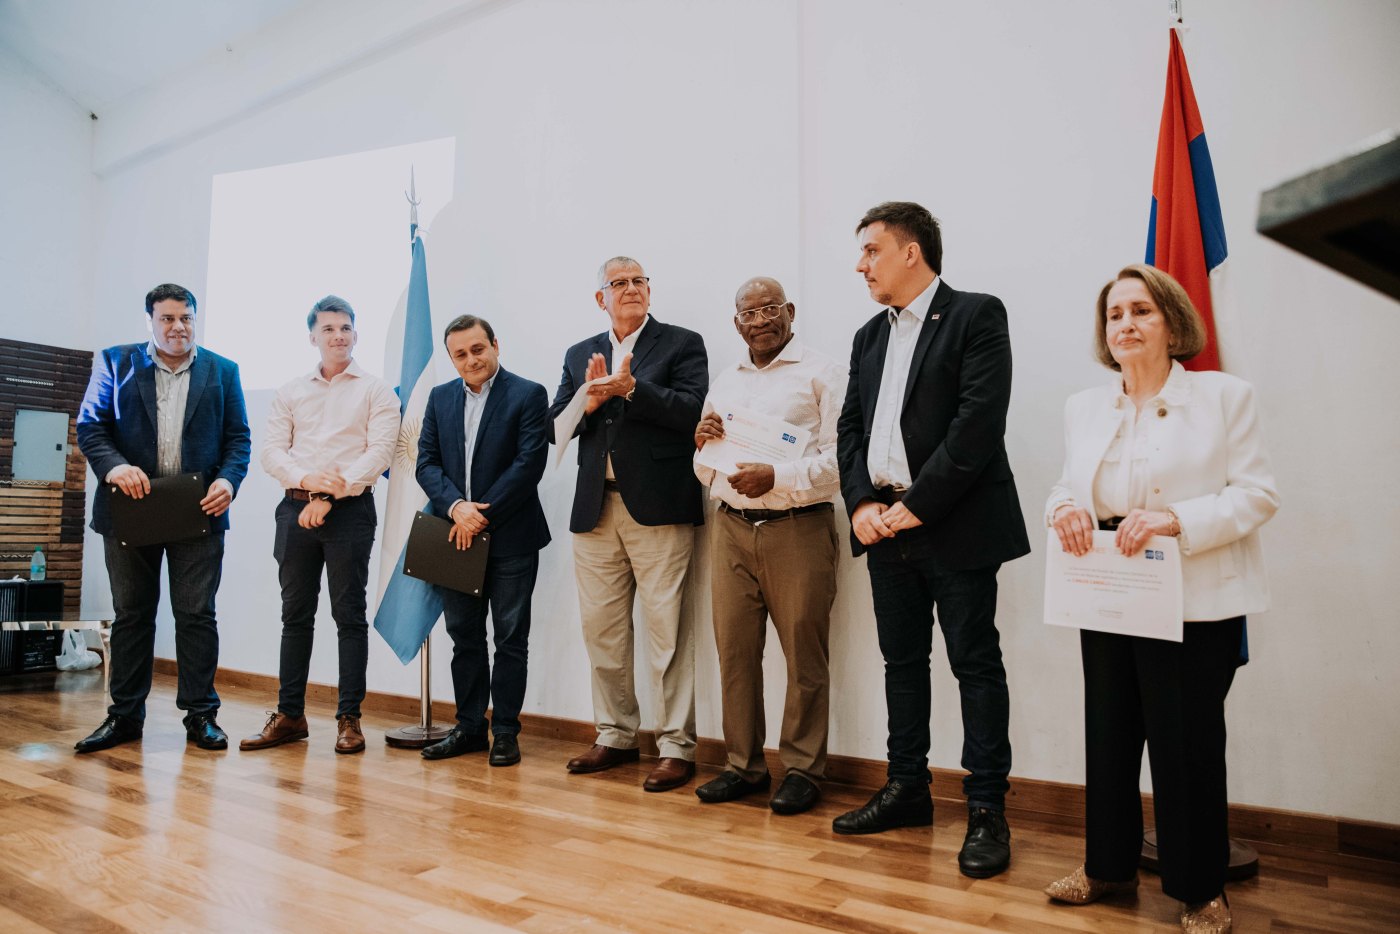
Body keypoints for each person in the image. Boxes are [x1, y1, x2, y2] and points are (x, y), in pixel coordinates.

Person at [1043, 265, 1279, 933]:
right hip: (1106, 593)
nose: (1126, 324)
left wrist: (1176, 519)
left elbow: (1258, 494)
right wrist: (1064, 510)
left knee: (1188, 746)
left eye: (1141, 311)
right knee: (1109, 734)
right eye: (1115, 314)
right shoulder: (1084, 407)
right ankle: (1106, 866)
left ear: (1173, 324)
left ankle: (1201, 890)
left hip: (1192, 601)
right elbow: (1066, 486)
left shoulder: (1225, 397)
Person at [834, 202, 1030, 879]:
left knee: (975, 664)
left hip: (956, 522)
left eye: (871, 251)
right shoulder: (867, 336)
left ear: (911, 251)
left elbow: (978, 425)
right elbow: (850, 428)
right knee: (901, 663)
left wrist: (916, 506)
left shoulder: (976, 315)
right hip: (883, 525)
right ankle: (907, 789)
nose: (861, 265)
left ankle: (986, 810)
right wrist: (861, 502)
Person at [549, 256, 708, 792]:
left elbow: (692, 411)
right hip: (595, 510)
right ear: (602, 298)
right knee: (602, 631)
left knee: (668, 633)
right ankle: (615, 734)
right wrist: (590, 401)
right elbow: (554, 426)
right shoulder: (579, 353)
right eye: (619, 283)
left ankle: (676, 746)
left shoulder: (682, 343)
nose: (631, 288)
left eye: (639, 280)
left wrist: (632, 389)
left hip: (659, 507)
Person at [74, 283, 251, 753]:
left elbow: (238, 439)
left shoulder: (223, 370)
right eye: (167, 318)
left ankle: (201, 715)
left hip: (199, 510)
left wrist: (229, 481)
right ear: (150, 321)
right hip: (131, 508)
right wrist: (114, 467)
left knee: (196, 615)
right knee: (132, 615)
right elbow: (90, 426)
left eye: (186, 317)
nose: (178, 327)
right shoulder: (115, 361)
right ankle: (125, 717)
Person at [692, 276, 844, 815]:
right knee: (735, 653)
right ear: (737, 324)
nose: (760, 321)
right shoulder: (725, 380)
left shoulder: (824, 373)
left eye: (769, 309)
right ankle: (743, 765)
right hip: (731, 527)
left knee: (804, 654)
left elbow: (840, 462)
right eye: (749, 314)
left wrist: (775, 476)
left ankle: (803, 769)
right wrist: (702, 444)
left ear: (790, 311)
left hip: (797, 528)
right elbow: (706, 468)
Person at [241, 296, 399, 756]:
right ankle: (290, 715)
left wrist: (329, 497)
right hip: (295, 511)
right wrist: (311, 485)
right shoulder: (291, 391)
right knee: (295, 616)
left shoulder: (376, 391)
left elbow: (379, 453)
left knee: (349, 616)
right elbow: (272, 452)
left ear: (356, 334)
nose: (338, 335)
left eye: (345, 327)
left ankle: (349, 719)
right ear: (313, 337)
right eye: (328, 329)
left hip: (351, 512)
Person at [416, 315, 550, 766]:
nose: (471, 360)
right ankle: (470, 728)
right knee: (464, 638)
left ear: (495, 345)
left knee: (510, 639)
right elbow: (426, 464)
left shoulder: (528, 394)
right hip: (455, 535)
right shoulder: (439, 398)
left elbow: (528, 465)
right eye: (460, 354)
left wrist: (479, 515)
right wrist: (457, 507)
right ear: (452, 359)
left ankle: (506, 732)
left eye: (478, 349)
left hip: (512, 538)